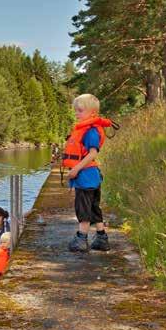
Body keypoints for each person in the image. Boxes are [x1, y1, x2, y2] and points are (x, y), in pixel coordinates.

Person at [63, 93, 114, 252]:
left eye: (80, 111)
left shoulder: (91, 131)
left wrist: (76, 169)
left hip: (85, 176)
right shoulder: (88, 128)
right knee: (93, 208)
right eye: (76, 111)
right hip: (92, 176)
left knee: (83, 208)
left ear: (92, 113)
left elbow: (93, 153)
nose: (77, 114)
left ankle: (81, 239)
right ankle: (101, 238)